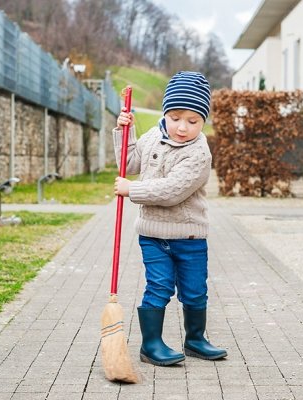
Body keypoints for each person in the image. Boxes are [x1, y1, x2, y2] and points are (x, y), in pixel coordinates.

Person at [113, 71, 227, 366]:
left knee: (194, 290)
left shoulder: (199, 153)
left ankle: (195, 339)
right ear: (165, 113)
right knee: (159, 286)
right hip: (153, 235)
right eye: (175, 117)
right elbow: (128, 163)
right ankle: (151, 344)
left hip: (189, 236)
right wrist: (124, 133)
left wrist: (131, 190)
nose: (182, 127)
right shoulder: (153, 136)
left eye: (193, 121)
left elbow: (172, 191)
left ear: (203, 122)